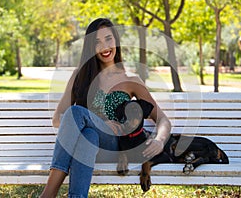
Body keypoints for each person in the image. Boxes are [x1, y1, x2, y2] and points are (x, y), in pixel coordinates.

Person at [40, 18, 171, 198]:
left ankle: (48, 194)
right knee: (89, 134)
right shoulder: (80, 76)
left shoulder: (131, 80)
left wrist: (159, 141)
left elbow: (163, 119)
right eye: (97, 42)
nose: (104, 47)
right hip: (90, 146)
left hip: (117, 148)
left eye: (108, 39)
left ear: (116, 41)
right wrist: (98, 124)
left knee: (77, 113)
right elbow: (57, 119)